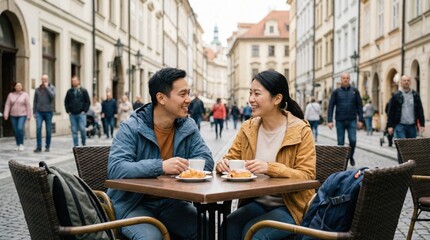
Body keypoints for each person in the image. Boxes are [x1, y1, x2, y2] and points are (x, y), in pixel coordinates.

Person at [107, 67, 214, 239]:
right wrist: (161, 166)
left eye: (189, 93)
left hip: (171, 202)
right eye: (182, 94)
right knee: (152, 238)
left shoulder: (188, 125)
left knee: (205, 229)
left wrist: (187, 169)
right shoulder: (131, 127)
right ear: (161, 98)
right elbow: (116, 168)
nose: (188, 99)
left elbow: (207, 160)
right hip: (133, 204)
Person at [216, 70, 316, 240]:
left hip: (291, 206)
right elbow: (231, 157)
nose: (251, 99)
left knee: (254, 233)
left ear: (277, 99)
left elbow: (307, 176)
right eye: (250, 93)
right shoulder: (248, 128)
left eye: (257, 93)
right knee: (229, 225)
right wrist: (223, 163)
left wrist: (270, 168)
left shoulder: (301, 130)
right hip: (257, 202)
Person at [327, 72, 364, 166]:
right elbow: (331, 106)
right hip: (340, 120)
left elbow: (359, 106)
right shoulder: (336, 92)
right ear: (341, 79)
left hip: (352, 120)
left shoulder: (355, 91)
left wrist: (361, 119)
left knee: (353, 140)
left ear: (349, 79)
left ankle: (350, 156)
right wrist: (330, 120)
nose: (345, 79)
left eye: (347, 78)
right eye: (344, 78)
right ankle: (341, 162)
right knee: (340, 142)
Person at [387, 74, 425, 145]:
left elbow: (420, 110)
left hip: (412, 126)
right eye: (404, 80)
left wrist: (422, 124)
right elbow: (391, 111)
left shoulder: (415, 95)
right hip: (400, 125)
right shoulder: (396, 95)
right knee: (402, 146)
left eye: (408, 80)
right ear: (401, 82)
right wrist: (390, 126)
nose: (406, 82)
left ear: (410, 82)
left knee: (411, 149)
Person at [3, 82, 32, 151]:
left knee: (19, 128)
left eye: (20, 86)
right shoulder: (10, 95)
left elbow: (28, 106)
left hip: (22, 115)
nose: (19, 87)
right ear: (14, 87)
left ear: (22, 87)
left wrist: (29, 115)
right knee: (16, 131)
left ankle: (21, 144)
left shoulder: (25, 95)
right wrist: (6, 114)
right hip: (13, 115)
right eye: (17, 86)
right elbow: (7, 105)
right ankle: (17, 144)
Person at [64, 76, 91, 147]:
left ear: (78, 81)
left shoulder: (83, 91)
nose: (74, 82)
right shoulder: (69, 91)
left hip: (81, 113)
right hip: (72, 114)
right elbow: (66, 102)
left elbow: (87, 101)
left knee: (82, 129)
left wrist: (85, 110)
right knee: (74, 130)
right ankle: (76, 145)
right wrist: (68, 111)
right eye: (73, 81)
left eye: (75, 81)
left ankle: (83, 143)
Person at [33, 74, 55, 152]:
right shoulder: (37, 89)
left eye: (45, 79)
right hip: (39, 112)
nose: (44, 81)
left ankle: (47, 146)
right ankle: (39, 147)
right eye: (43, 79)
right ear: (41, 80)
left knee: (48, 130)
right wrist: (34, 112)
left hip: (48, 112)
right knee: (38, 128)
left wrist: (47, 88)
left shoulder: (51, 87)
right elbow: (35, 101)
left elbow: (52, 96)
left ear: (47, 80)